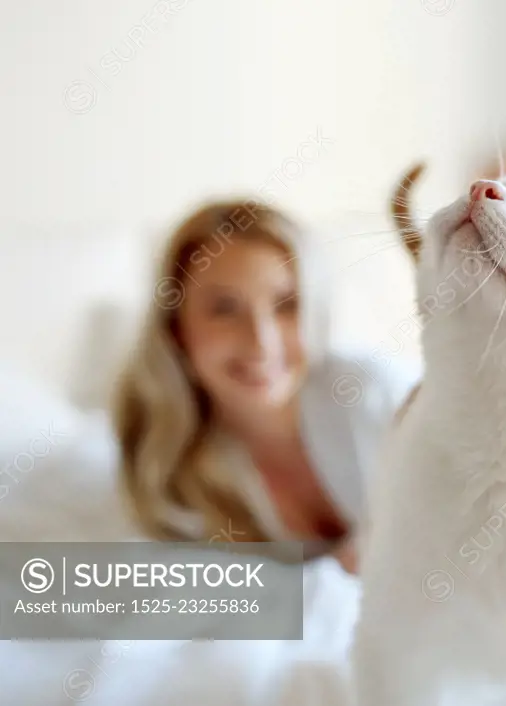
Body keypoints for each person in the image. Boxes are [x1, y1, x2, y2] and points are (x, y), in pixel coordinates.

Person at [112, 200, 416, 574]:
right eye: (225, 308)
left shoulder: (375, 395)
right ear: (175, 328)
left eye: (286, 305)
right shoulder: (166, 465)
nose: (261, 342)